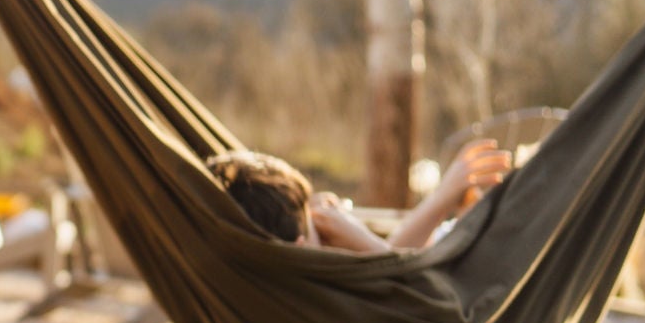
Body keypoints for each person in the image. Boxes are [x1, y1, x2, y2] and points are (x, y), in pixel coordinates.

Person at [205, 139, 512, 253]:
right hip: (461, 276)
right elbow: (419, 285)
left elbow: (396, 265)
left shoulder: (289, 296)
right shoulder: (327, 291)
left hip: (441, 250)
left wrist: (444, 200)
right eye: (312, 219)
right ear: (299, 249)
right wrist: (360, 240)